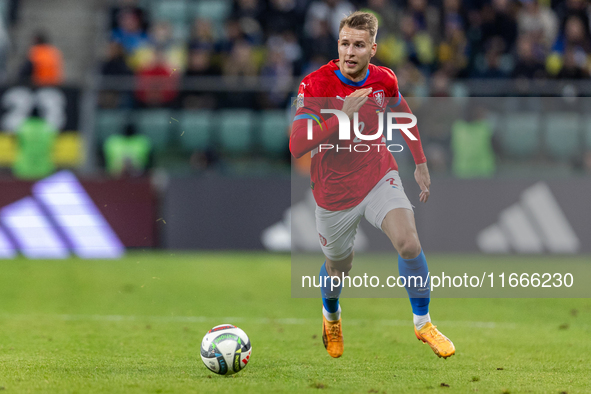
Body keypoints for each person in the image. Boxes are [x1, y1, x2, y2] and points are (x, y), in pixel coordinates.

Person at [289, 11, 455, 359]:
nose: (350, 51)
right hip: (333, 193)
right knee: (339, 267)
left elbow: (403, 112)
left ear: (373, 49)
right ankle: (330, 315)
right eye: (345, 43)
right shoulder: (315, 85)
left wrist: (421, 163)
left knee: (409, 243)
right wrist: (342, 117)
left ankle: (423, 323)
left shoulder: (384, 80)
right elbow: (297, 145)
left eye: (359, 45)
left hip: (379, 174)